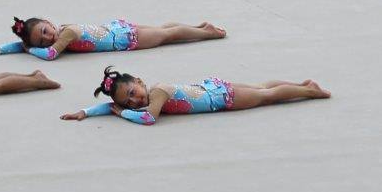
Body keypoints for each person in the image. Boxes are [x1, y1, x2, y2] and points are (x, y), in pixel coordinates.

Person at [60, 66, 329, 125]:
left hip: (221, 99)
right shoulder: (147, 95)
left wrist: (124, 113)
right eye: (127, 101)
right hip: (214, 88)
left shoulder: (158, 93)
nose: (133, 101)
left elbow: (149, 118)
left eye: (132, 93)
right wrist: (84, 113)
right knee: (261, 86)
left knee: (267, 95)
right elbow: (111, 107)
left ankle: (308, 91)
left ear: (140, 82)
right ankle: (302, 83)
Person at [0, 15, 225, 60]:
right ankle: (198, 27)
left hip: (126, 38)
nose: (48, 38)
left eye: (45, 31)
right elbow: (26, 44)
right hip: (118, 31)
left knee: (167, 35)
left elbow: (51, 55)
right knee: (163, 31)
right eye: (42, 40)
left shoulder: (66, 34)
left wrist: (30, 49)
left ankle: (206, 33)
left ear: (48, 22)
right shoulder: (60, 33)